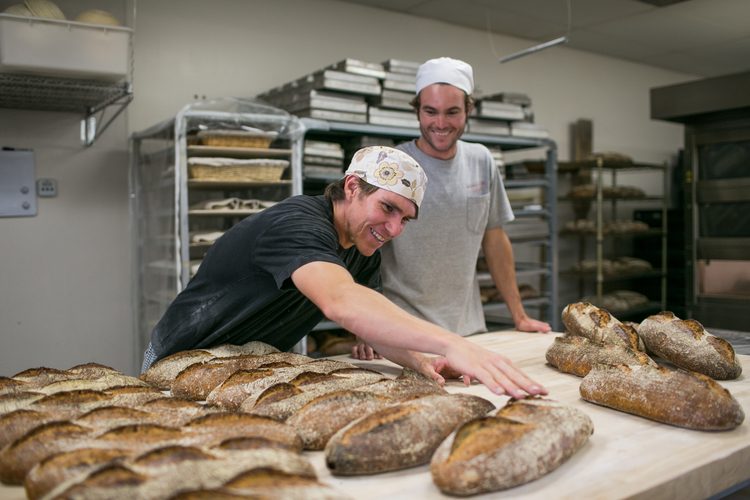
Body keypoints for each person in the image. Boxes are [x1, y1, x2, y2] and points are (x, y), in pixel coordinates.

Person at [141, 145, 546, 399]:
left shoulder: (364, 248)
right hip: (183, 359)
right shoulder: (299, 223)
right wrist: (451, 343)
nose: (394, 229)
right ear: (352, 187)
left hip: (244, 368)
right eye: (388, 209)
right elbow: (341, 301)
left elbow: (369, 325)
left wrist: (420, 361)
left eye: (406, 219)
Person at [354, 58, 550, 361]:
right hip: (401, 332)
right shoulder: (393, 165)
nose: (441, 123)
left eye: (452, 112)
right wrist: (365, 326)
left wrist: (519, 315)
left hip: (468, 330)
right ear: (417, 110)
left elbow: (495, 239)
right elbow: (360, 246)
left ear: (468, 110)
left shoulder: (481, 160)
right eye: (430, 111)